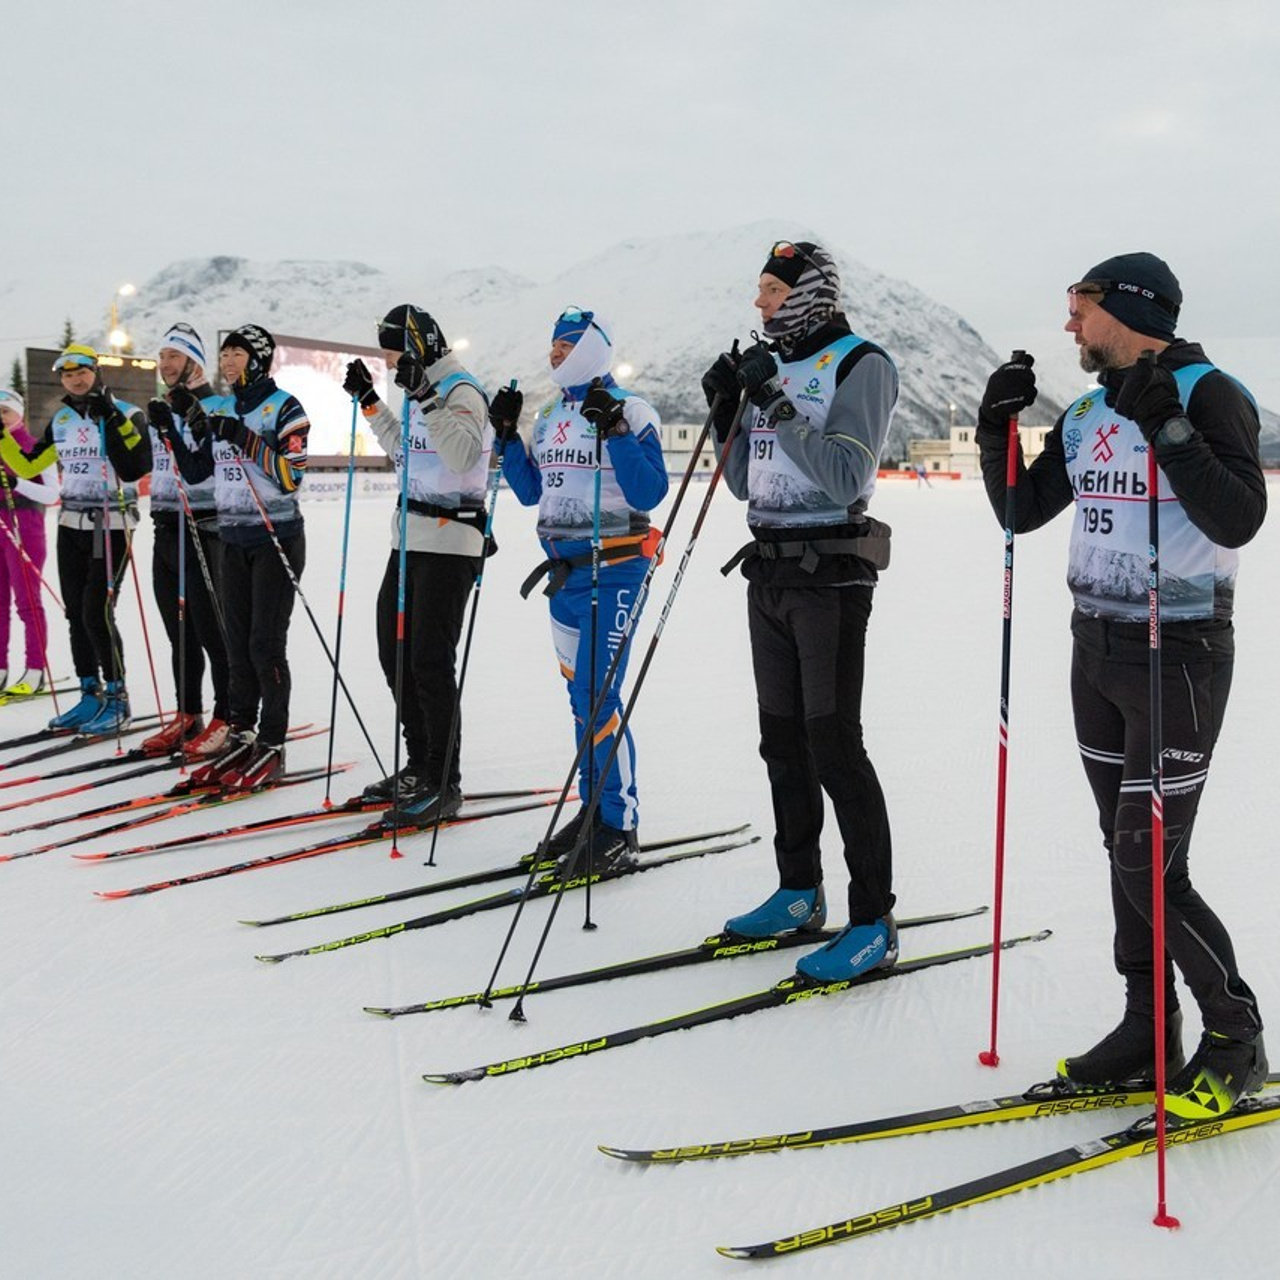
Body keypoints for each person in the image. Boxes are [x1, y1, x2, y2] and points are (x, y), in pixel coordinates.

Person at [974, 251, 1268, 1120]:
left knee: (1149, 861)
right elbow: (1022, 511)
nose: (1069, 322)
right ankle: (1146, 1029)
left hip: (1175, 655)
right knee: (1122, 848)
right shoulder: (1091, 407)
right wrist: (999, 433)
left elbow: (1239, 517)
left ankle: (1234, 1033)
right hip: (1095, 650)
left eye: (1081, 305)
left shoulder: (1212, 391)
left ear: (1131, 309)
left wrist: (1169, 430)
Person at [701, 239, 899, 983]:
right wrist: (728, 407)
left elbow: (847, 471)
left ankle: (874, 919)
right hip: (771, 570)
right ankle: (797, 892)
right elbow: (749, 483)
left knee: (834, 746)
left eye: (773, 292)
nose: (761, 304)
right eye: (760, 291)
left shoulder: (860, 363)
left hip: (832, 575)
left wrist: (776, 403)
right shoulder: (772, 364)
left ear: (809, 293)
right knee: (781, 742)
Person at [489, 308, 668, 871]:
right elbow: (528, 492)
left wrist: (614, 429)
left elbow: (650, 490)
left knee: (597, 693)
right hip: (564, 573)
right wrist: (507, 437)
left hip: (614, 568)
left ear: (593, 349)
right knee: (580, 698)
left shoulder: (632, 408)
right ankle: (593, 810)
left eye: (567, 346)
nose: (555, 354)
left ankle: (619, 823)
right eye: (553, 346)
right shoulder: (548, 415)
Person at [342, 305, 491, 823]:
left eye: (393, 348)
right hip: (408, 538)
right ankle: (420, 761)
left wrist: (426, 397)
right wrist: (370, 404)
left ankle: (443, 778)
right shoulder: (417, 388)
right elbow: (406, 453)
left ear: (420, 344)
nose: (387, 359)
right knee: (395, 654)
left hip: (451, 542)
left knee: (429, 660)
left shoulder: (459, 389)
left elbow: (462, 457)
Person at [165, 324, 309, 789]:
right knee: (236, 645)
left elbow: (291, 476)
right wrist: (172, 427)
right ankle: (242, 733)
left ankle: (272, 742)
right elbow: (196, 472)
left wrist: (244, 439)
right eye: (224, 353)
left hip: (275, 537)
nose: (227, 362)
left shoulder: (284, 406)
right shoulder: (221, 406)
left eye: (237, 354)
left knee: (265, 644)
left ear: (259, 358)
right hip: (232, 539)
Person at [0, 345, 151, 733]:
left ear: (95, 371)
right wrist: (2, 440)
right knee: (74, 615)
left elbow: (136, 468)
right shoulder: (62, 418)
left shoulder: (128, 413)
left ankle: (118, 699)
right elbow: (31, 464)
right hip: (70, 525)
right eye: (67, 375)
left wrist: (112, 418)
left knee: (96, 612)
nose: (75, 379)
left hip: (112, 525)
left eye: (81, 371)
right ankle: (90, 695)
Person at [141, 324, 232, 756]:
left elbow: (208, 468)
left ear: (193, 361)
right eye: (161, 358)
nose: (166, 365)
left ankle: (227, 716)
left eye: (173, 357)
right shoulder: (165, 407)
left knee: (213, 632)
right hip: (164, 526)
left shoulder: (215, 405)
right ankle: (187, 713)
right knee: (179, 633)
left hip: (202, 527)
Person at [0, 388, 59, 696]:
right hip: (0, 525)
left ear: (18, 414)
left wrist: (17, 482)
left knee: (27, 601)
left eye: (4, 412)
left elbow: (52, 494)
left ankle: (35, 669)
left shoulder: (34, 447)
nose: (0, 419)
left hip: (25, 526)